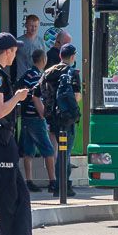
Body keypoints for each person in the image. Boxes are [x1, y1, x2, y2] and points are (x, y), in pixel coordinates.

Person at [0, 32, 55, 235]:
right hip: (0, 139)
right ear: (8, 51)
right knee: (12, 195)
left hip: (0, 139)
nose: (15, 56)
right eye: (14, 51)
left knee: (18, 193)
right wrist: (18, 98)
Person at [41, 44, 82, 196]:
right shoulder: (72, 73)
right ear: (72, 57)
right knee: (66, 152)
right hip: (66, 119)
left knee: (59, 150)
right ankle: (62, 186)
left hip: (52, 118)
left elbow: (38, 93)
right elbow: (76, 96)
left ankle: (61, 185)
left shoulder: (47, 72)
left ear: (60, 56)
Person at [17, 49, 54, 192]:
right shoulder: (38, 76)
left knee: (28, 151)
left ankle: (29, 180)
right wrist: (43, 114)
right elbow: (36, 97)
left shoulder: (27, 74)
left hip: (26, 117)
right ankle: (53, 181)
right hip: (36, 118)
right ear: (44, 59)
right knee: (48, 149)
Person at [13, 14, 47, 80]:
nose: (33, 28)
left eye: (35, 26)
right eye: (31, 26)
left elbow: (44, 60)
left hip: (37, 79)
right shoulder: (18, 41)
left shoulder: (41, 42)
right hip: (22, 78)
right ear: (26, 25)